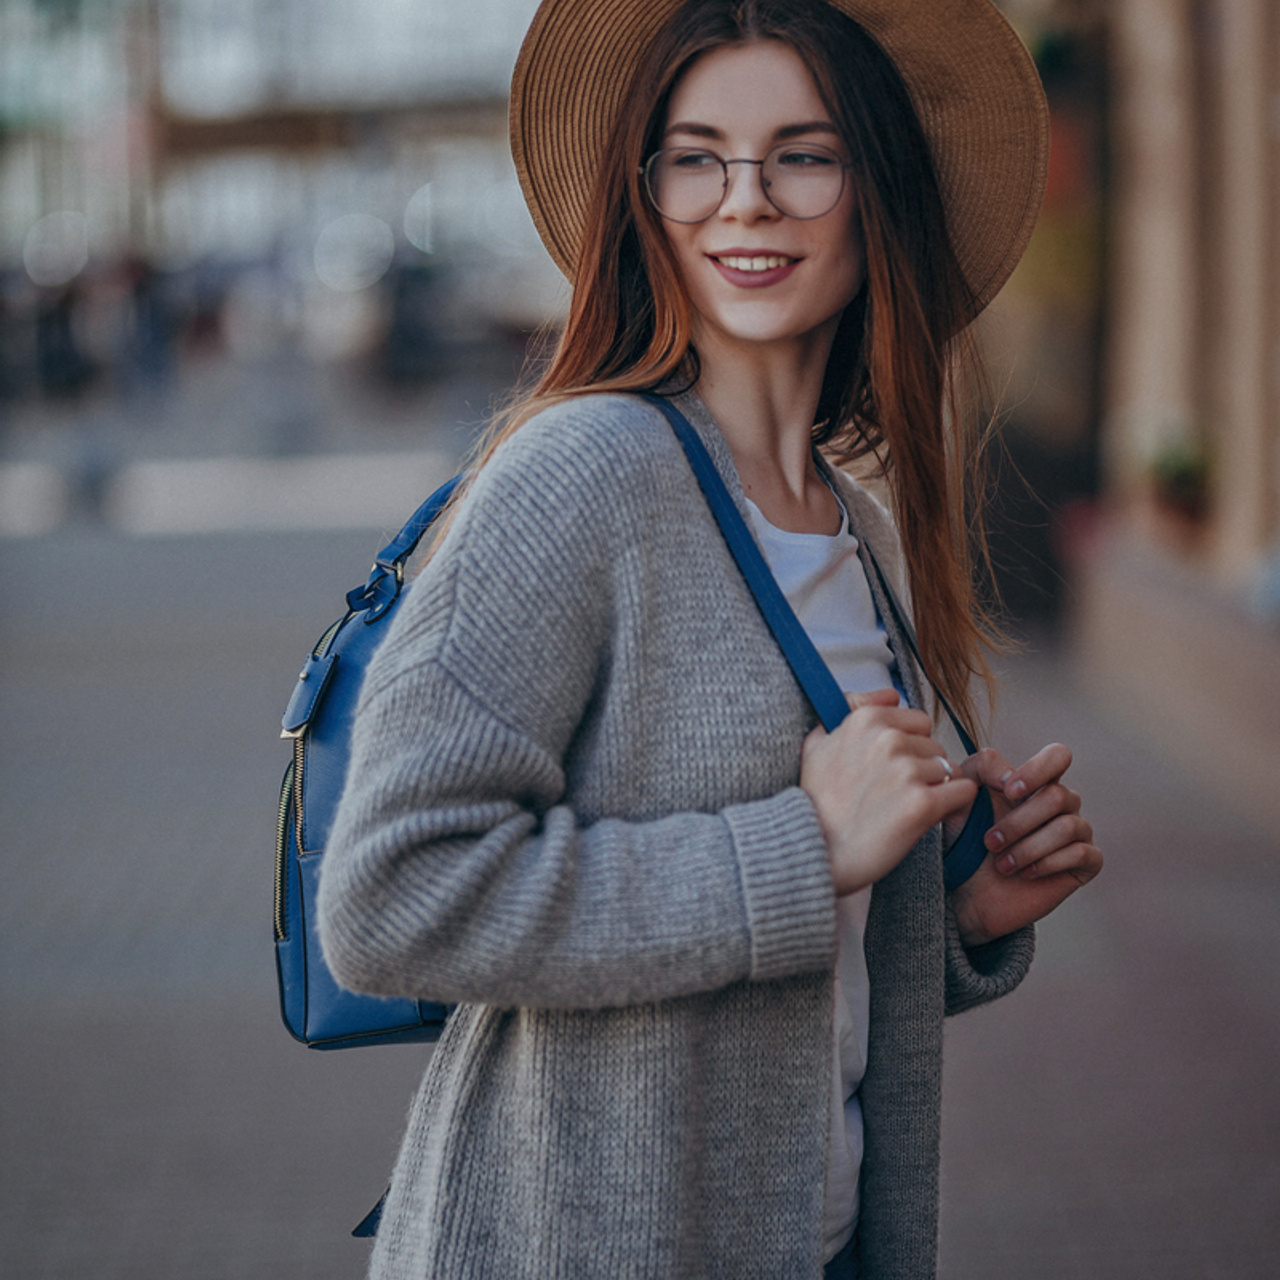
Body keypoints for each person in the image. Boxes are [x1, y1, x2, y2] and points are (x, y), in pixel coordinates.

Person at [317, 1, 1103, 1277]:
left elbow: (797, 964)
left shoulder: (852, 531)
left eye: (804, 151)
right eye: (696, 155)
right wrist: (804, 846)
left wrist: (947, 911)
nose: (748, 200)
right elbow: (392, 897)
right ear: (645, 196)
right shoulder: (581, 473)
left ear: (873, 188)